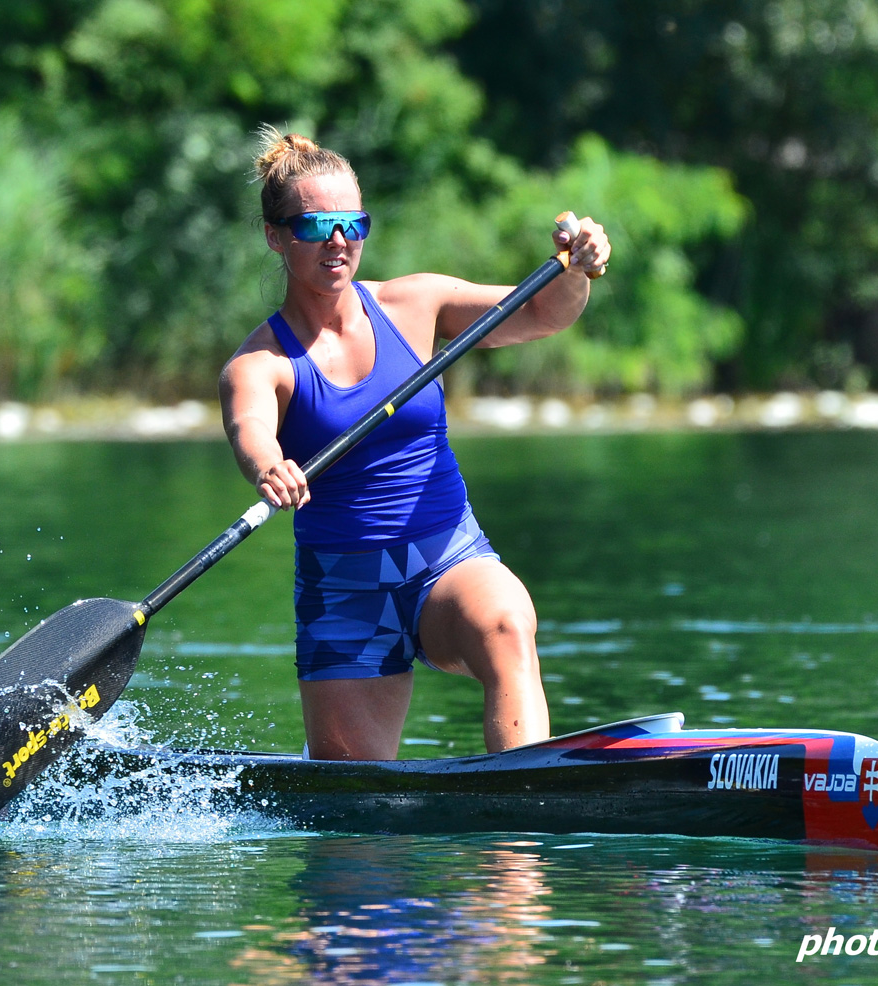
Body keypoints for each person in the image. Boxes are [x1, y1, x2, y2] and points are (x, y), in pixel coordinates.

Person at [219, 128, 610, 761]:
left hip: (448, 561)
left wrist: (579, 268)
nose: (339, 240)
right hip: (344, 595)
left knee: (508, 623)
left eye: (354, 223)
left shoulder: (416, 305)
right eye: (316, 225)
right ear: (276, 235)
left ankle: (522, 811)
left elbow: (540, 314)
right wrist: (269, 465)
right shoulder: (260, 363)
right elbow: (250, 429)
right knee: (357, 836)